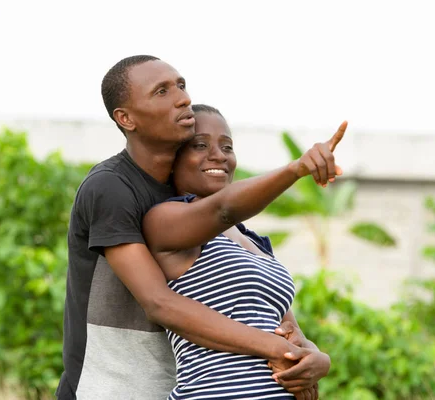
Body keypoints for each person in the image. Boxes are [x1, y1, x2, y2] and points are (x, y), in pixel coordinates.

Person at [57, 55, 338, 399]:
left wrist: (314, 359)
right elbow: (160, 303)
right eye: (161, 91)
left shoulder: (198, 210)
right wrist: (281, 352)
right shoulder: (113, 187)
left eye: (181, 85)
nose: (182, 97)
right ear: (126, 118)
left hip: (171, 385)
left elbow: (277, 321)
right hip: (111, 387)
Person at [142, 104, 343, 399]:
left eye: (227, 147)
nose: (219, 155)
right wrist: (296, 168)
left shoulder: (255, 242)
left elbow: (285, 330)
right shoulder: (164, 220)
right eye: (200, 145)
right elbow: (223, 209)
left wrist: (317, 359)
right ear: (173, 159)